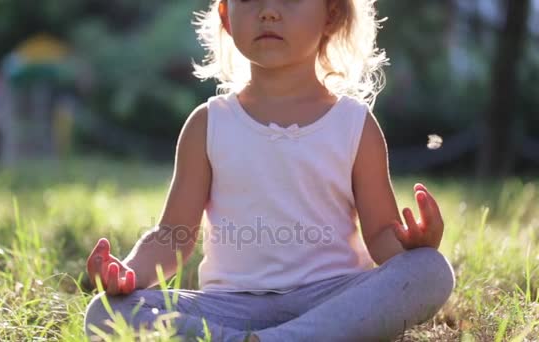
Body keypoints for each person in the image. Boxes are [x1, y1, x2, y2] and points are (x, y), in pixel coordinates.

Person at [84, 0, 456, 340]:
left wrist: (412, 247)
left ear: (331, 14)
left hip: (329, 299)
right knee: (104, 312)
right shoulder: (208, 124)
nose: (268, 11)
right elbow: (173, 236)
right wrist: (129, 272)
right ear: (226, 17)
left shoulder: (355, 124)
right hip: (228, 308)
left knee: (430, 270)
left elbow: (381, 237)